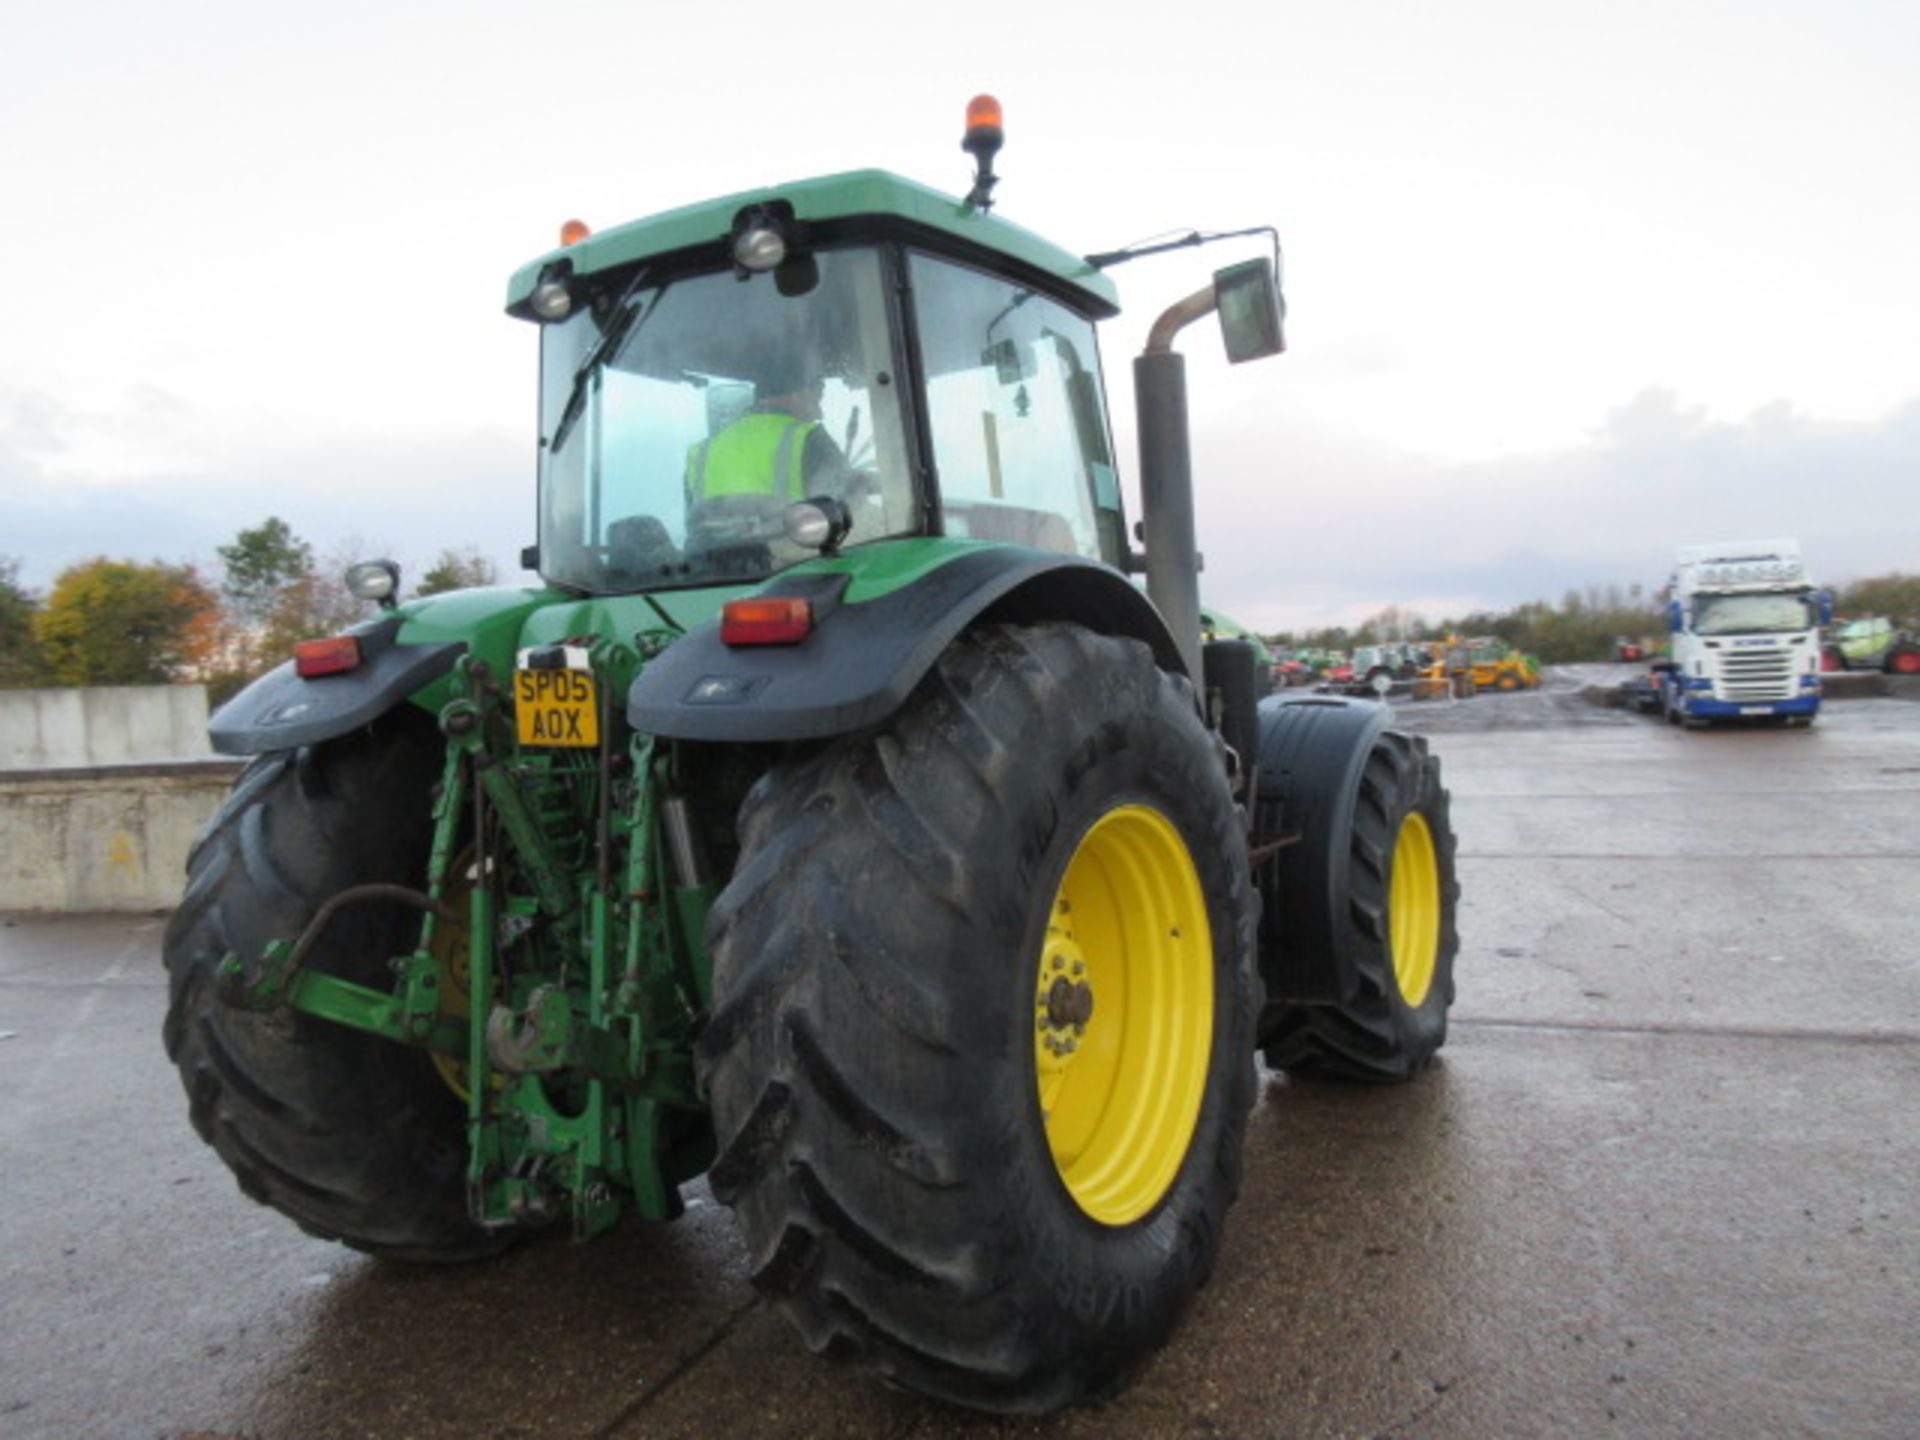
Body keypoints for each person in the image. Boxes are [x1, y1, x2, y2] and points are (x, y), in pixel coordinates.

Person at [684, 355, 850, 526]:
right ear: (800, 393)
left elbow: (695, 525)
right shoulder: (810, 438)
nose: (819, 413)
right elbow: (844, 518)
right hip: (792, 551)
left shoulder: (699, 454)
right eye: (817, 398)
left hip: (709, 553)